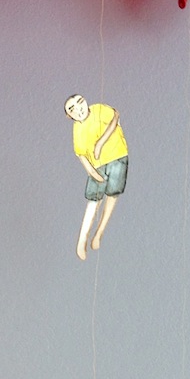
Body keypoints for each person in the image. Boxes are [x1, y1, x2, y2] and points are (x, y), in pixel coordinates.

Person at [63, 94, 128, 261]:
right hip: (97, 166)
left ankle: (99, 233)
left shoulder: (99, 109)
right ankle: (82, 240)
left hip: (118, 156)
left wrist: (100, 143)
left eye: (80, 102)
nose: (79, 109)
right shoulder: (77, 129)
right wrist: (91, 172)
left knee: (112, 195)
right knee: (93, 201)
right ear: (69, 116)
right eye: (72, 109)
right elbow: (81, 154)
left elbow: (115, 116)